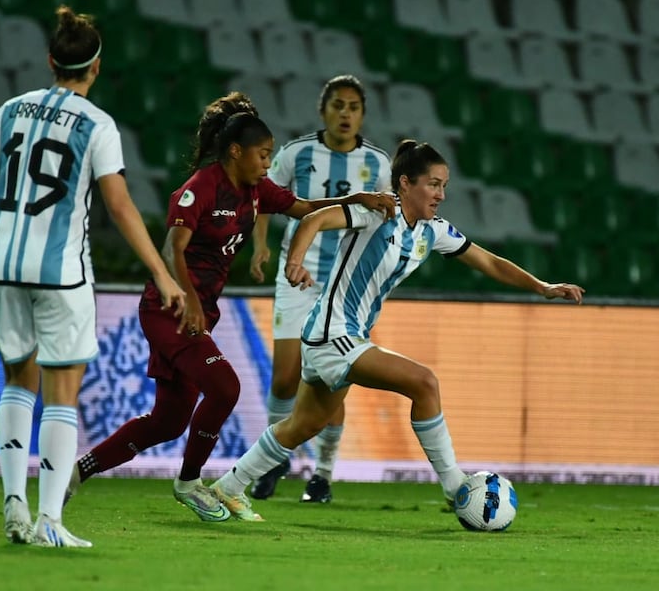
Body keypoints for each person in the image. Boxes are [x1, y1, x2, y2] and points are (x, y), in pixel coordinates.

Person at [208, 140, 585, 521]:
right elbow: (314, 220)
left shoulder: (432, 231)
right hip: (332, 333)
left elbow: (488, 261)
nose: (441, 195)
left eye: (444, 186)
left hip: (342, 336)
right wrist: (295, 261)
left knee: (302, 426)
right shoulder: (378, 210)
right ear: (405, 183)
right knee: (424, 383)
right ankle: (455, 487)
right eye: (433, 184)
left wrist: (542, 287)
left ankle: (227, 487)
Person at [63, 93, 396, 523]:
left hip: (196, 312)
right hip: (169, 310)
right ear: (236, 151)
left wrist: (359, 198)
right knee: (225, 387)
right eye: (263, 154)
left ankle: (77, 471)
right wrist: (189, 301)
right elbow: (171, 250)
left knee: (168, 422)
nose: (267, 163)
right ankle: (190, 484)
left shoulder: (257, 190)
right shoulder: (200, 188)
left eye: (270, 155)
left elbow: (304, 208)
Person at [0, 5, 186, 548]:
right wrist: (162, 273)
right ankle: (49, 519)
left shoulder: (10, 109)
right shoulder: (97, 124)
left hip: (2, 269)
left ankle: (13, 502)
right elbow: (119, 205)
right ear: (96, 67)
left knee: (17, 381)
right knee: (62, 394)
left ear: (51, 62)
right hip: (60, 275)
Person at [248, 75, 392, 503]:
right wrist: (260, 245)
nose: (345, 114)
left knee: (332, 379)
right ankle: (274, 461)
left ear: (362, 115)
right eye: (338, 105)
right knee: (285, 378)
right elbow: (263, 197)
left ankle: (323, 475)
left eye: (353, 107)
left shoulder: (378, 163)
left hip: (345, 288)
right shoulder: (296, 153)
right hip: (298, 275)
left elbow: (387, 221)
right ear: (323, 110)